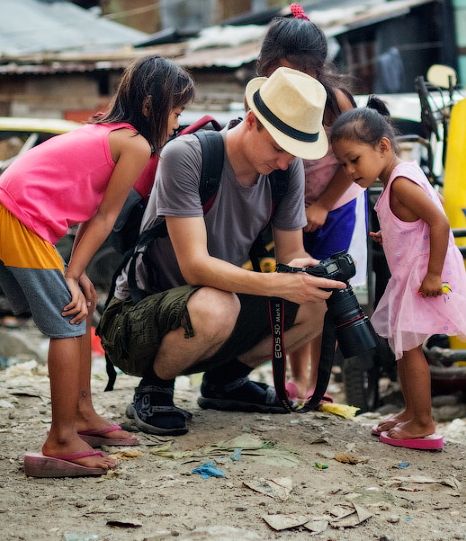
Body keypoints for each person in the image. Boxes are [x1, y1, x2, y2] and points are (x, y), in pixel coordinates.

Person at [97, 66, 346, 437]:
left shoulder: (285, 169)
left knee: (317, 303)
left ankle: (225, 383)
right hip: (138, 319)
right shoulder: (187, 155)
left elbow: (291, 253)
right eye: (278, 148)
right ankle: (154, 388)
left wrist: (310, 273)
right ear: (251, 122)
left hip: (215, 314)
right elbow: (195, 267)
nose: (284, 162)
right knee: (218, 303)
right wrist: (278, 284)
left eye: (294, 154)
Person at [0, 55, 194, 478]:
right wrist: (72, 274)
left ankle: (82, 415)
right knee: (68, 318)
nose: (176, 124)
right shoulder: (135, 144)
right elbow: (104, 217)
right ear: (151, 106)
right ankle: (60, 438)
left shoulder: (106, 130)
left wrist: (74, 275)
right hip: (14, 215)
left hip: (5, 211)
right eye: (176, 112)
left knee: (80, 308)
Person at [331, 98, 466, 451]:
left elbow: (440, 221)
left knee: (410, 349)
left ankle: (424, 422)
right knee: (401, 346)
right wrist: (394, 233)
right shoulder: (398, 175)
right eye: (343, 164)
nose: (350, 171)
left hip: (422, 277)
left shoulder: (399, 183)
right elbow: (417, 222)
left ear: (382, 147)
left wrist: (432, 274)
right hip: (411, 273)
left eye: (355, 160)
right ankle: (412, 411)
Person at [255, 3, 363, 403]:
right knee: (289, 289)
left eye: (305, 74)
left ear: (319, 71)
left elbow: (352, 162)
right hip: (287, 211)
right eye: (284, 73)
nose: (295, 82)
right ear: (265, 67)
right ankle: (293, 377)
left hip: (333, 207)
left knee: (327, 288)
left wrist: (321, 206)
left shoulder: (336, 104)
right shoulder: (264, 100)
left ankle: (320, 380)